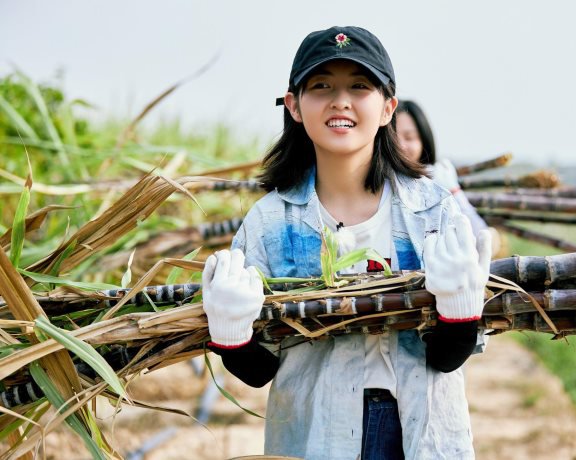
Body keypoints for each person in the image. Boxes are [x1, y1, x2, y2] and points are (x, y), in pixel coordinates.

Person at [202, 26, 491, 459]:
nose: (341, 101)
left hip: (422, 434)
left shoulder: (433, 212)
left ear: (388, 107)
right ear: (294, 105)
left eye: (359, 86)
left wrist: (460, 310)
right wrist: (231, 334)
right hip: (315, 435)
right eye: (322, 86)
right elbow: (259, 372)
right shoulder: (269, 222)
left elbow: (447, 358)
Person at [396, 99, 489, 238]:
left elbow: (479, 235)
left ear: (424, 140)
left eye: (409, 137)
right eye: (391, 138)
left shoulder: (438, 184)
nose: (400, 145)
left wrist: (453, 191)